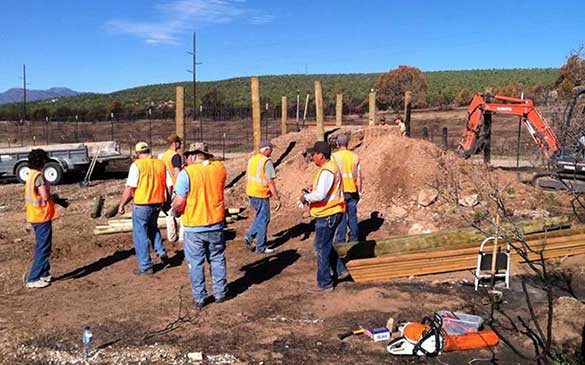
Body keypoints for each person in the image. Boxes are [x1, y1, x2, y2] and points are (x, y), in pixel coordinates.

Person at [172, 143, 229, 308]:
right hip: (216, 223)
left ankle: (200, 297)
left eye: (188, 156)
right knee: (217, 258)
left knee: (195, 263)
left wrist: (176, 212)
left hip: (194, 225)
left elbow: (179, 201)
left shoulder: (186, 174)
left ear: (193, 156)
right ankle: (221, 292)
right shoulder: (219, 169)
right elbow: (213, 166)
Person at [118, 142, 172, 275]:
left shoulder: (137, 165)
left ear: (137, 154)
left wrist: (121, 204)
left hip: (142, 204)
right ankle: (161, 251)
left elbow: (130, 188)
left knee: (140, 234)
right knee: (153, 227)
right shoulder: (160, 164)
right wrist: (167, 201)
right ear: (149, 151)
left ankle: (146, 266)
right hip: (157, 203)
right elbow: (169, 185)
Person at [300, 141, 346, 293]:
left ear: (321, 155)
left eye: (313, 154)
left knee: (321, 248)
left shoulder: (327, 171)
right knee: (326, 245)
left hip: (328, 214)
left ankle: (325, 283)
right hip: (333, 212)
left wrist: (306, 198)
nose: (312, 157)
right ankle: (339, 269)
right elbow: (324, 190)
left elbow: (320, 195)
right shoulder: (329, 168)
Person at [24, 149, 59, 288]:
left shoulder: (31, 174)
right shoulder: (38, 176)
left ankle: (44, 273)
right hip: (41, 216)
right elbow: (44, 196)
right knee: (43, 247)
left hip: (34, 215)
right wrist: (54, 197)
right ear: (42, 161)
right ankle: (33, 278)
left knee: (43, 245)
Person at [331, 134, 362, 280]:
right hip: (352, 190)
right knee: (353, 218)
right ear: (348, 143)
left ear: (337, 143)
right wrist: (358, 190)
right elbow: (358, 175)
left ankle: (341, 244)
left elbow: (333, 175)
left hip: (341, 192)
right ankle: (354, 242)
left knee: (342, 220)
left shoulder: (334, 157)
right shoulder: (355, 157)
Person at [244, 140, 281, 254]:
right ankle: (258, 245)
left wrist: (247, 191)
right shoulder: (266, 162)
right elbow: (270, 181)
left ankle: (252, 238)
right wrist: (276, 197)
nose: (272, 151)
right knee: (264, 218)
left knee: (261, 217)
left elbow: (246, 177)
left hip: (252, 192)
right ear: (266, 149)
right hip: (261, 194)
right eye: (270, 148)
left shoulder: (252, 160)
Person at [159, 133, 183, 242]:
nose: (181, 145)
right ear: (175, 143)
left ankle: (171, 236)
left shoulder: (164, 156)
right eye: (179, 142)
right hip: (174, 186)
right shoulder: (175, 156)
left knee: (169, 213)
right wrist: (180, 187)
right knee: (183, 212)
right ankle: (182, 236)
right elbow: (177, 172)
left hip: (165, 187)